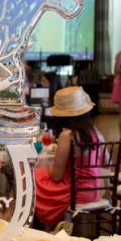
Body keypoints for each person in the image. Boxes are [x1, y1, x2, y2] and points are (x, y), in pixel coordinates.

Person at [34, 86, 105, 229]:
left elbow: (56, 176)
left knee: (32, 178)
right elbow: (106, 162)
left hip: (76, 193)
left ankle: (38, 229)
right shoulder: (95, 133)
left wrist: (47, 167)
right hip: (97, 189)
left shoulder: (68, 136)